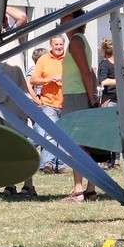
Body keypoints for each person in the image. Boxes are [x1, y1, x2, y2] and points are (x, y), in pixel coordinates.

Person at [60, 11, 99, 202]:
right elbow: (89, 71)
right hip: (78, 95)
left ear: (74, 21)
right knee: (86, 144)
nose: (61, 20)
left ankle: (78, 189)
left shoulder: (75, 41)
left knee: (76, 144)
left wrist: (92, 98)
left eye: (65, 17)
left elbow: (86, 72)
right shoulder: (79, 40)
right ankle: (90, 188)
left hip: (77, 96)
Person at [28, 35, 68, 174]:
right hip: (48, 102)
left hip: (65, 102)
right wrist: (49, 79)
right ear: (51, 45)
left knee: (63, 134)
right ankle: (48, 163)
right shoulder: (43, 60)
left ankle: (61, 164)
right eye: (56, 44)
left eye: (61, 44)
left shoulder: (69, 58)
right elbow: (33, 80)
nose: (58, 47)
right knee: (51, 133)